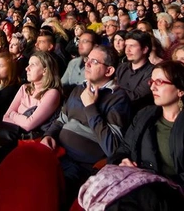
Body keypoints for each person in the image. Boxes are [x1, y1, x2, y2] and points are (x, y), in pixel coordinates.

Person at [105, 61, 184, 207]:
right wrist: (123, 161)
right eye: (151, 81)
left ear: (180, 91)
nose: (152, 87)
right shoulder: (144, 115)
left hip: (165, 195)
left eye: (160, 82)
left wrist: (146, 177)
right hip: (131, 185)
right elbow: (124, 148)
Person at [41, 45, 130, 203]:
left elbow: (112, 147)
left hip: (81, 165)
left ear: (108, 71)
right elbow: (61, 120)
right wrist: (49, 135)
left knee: (48, 191)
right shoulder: (79, 88)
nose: (87, 64)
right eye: (87, 60)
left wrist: (90, 107)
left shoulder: (118, 98)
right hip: (57, 152)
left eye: (94, 61)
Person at [1, 51, 61, 138]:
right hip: (11, 134)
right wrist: (22, 119)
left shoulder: (52, 93)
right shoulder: (24, 88)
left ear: (45, 71)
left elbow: (28, 125)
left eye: (33, 65)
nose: (27, 68)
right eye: (28, 64)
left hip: (27, 140)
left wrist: (13, 114)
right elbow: (5, 117)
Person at [115, 31, 155, 112]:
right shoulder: (122, 67)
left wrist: (112, 94)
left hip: (137, 114)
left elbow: (136, 96)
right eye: (126, 46)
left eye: (132, 46)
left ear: (144, 49)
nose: (127, 50)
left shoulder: (153, 72)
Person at [61, 30, 97, 95]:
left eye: (85, 41)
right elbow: (63, 84)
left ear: (95, 45)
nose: (80, 44)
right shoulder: (73, 63)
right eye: (79, 41)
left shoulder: (98, 65)